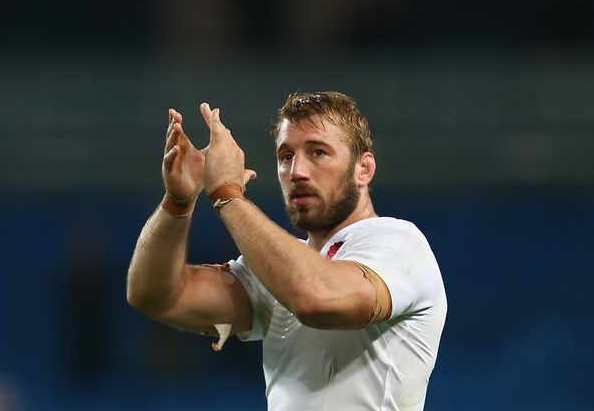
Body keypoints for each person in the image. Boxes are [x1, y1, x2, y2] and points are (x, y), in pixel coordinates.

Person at [126, 91, 447, 410]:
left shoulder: (399, 243)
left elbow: (316, 299)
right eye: (286, 156)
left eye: (318, 152)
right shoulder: (277, 269)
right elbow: (156, 295)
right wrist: (177, 203)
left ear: (363, 169)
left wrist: (227, 194)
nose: (297, 172)